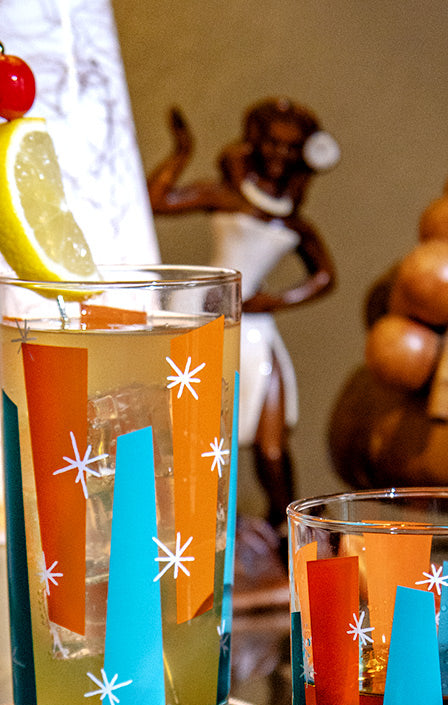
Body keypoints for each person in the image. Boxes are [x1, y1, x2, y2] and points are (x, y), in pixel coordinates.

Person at [147, 98, 338, 538]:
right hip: (202, 320)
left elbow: (326, 276)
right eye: (271, 144)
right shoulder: (226, 196)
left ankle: (287, 529)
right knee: (190, 434)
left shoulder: (294, 221)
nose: (279, 155)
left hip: (253, 330)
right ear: (255, 143)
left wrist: (277, 299)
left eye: (291, 148)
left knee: (271, 445)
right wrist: (181, 153)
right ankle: (192, 528)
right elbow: (157, 200)